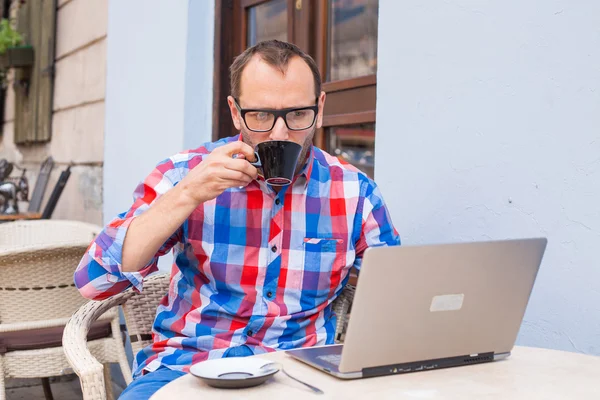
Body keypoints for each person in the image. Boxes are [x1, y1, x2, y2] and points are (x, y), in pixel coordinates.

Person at [74, 39, 400, 399]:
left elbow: (393, 300)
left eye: (297, 114)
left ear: (319, 109)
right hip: (186, 367)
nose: (280, 133)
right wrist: (187, 194)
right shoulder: (187, 173)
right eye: (260, 115)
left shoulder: (355, 193)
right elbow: (96, 282)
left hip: (299, 375)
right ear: (234, 111)